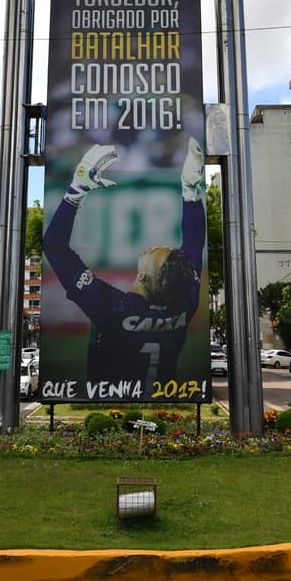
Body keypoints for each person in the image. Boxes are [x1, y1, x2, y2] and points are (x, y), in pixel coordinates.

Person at [45, 138, 205, 392]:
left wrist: (76, 190)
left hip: (109, 402)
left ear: (143, 277)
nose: (154, 246)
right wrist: (191, 190)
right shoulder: (184, 302)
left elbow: (54, 245)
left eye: (155, 253)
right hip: (161, 399)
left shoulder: (112, 308)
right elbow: (194, 242)